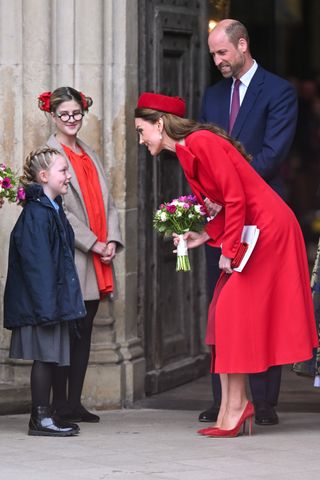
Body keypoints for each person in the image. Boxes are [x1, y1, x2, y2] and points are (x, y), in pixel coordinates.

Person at [134, 92, 318, 437]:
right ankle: (235, 405)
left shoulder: (200, 142)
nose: (141, 140)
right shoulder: (188, 154)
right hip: (254, 230)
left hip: (269, 229)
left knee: (232, 312)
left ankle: (237, 407)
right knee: (224, 315)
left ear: (160, 124)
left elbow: (235, 197)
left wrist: (229, 250)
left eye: (142, 130)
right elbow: (222, 205)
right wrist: (203, 235)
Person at [198, 19, 298, 426]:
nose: (218, 60)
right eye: (213, 55)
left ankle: (263, 401)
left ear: (242, 45)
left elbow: (274, 153)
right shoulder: (212, 95)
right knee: (224, 305)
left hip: (264, 216)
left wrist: (228, 183)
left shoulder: (279, 91)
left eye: (223, 52)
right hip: (222, 217)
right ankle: (225, 400)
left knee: (260, 303)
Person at [38, 87, 124, 423]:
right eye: (65, 115)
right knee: (68, 331)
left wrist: (112, 239)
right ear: (53, 116)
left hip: (99, 256)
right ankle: (59, 405)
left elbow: (109, 200)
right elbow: (59, 210)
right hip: (76, 256)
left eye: (77, 113)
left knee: (85, 329)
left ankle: (74, 402)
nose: (72, 120)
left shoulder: (89, 152)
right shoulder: (49, 153)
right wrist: (93, 243)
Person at [3, 147, 86, 436]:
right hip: (43, 302)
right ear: (43, 176)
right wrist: (47, 309)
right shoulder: (37, 214)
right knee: (44, 357)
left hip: (52, 299)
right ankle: (39, 418)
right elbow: (37, 266)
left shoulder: (53, 208)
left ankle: (48, 414)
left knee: (51, 357)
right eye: (63, 171)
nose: (68, 176)